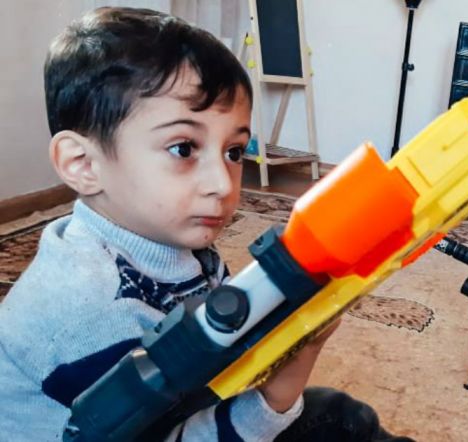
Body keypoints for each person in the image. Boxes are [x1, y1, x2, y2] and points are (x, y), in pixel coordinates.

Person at [0, 7, 410, 442]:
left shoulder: (172, 242)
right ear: (83, 163)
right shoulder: (90, 315)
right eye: (183, 148)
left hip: (183, 405)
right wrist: (281, 388)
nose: (222, 183)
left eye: (234, 152)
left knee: (336, 415)